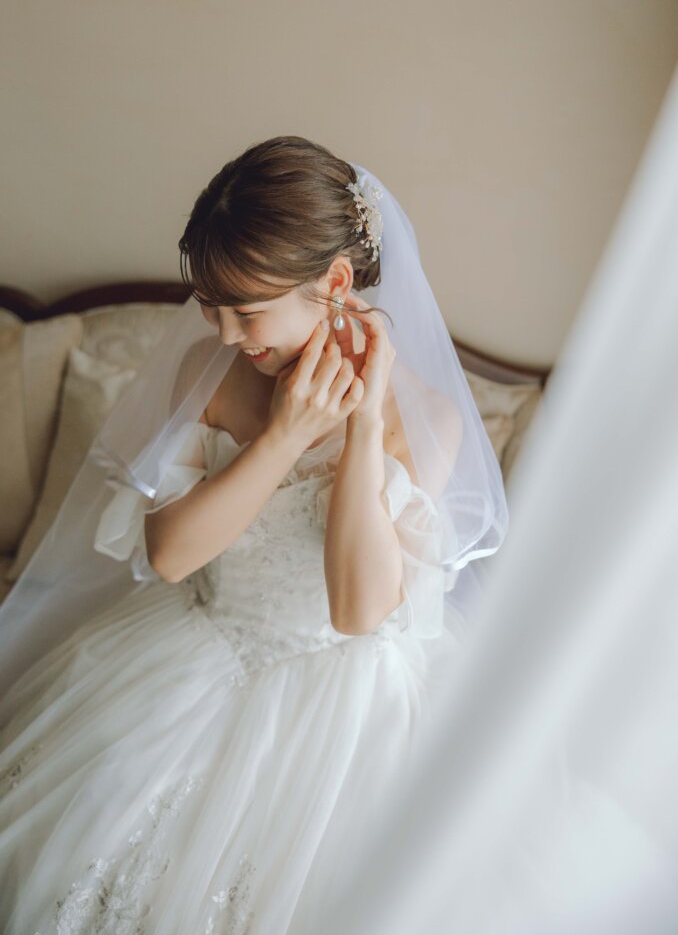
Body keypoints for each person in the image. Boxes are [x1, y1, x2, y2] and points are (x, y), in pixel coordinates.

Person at [0, 135, 507, 934]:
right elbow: (170, 557)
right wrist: (282, 436)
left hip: (343, 702)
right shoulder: (208, 371)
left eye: (247, 310)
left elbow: (359, 611)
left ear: (333, 284)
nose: (228, 333)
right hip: (193, 645)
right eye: (210, 306)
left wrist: (362, 427)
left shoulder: (428, 419)